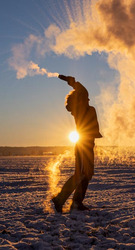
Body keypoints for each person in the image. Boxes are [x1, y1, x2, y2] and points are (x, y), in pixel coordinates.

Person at [52, 75, 102, 212]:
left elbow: (84, 93)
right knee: (80, 174)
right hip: (83, 145)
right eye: (85, 98)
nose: (88, 99)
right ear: (79, 100)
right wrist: (73, 82)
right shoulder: (81, 108)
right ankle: (60, 199)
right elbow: (84, 92)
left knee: (87, 174)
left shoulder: (85, 108)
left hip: (87, 144)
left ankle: (76, 203)